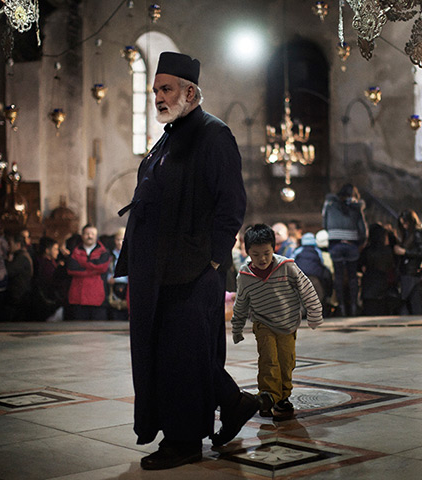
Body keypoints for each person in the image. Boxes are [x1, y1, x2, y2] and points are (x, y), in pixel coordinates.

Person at [114, 52, 254, 470]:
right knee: (176, 351)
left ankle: (184, 441)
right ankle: (233, 402)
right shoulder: (169, 137)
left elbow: (231, 205)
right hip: (158, 269)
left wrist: (212, 260)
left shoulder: (214, 135)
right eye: (156, 90)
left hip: (191, 270)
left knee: (181, 357)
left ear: (190, 92)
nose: (158, 96)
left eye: (166, 89)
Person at [231, 224, 323, 418]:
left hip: (287, 323)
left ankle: (282, 397)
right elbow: (241, 303)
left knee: (286, 361)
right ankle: (267, 396)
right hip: (262, 323)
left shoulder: (287, 266)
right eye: (256, 255)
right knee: (268, 360)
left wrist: (314, 313)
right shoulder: (245, 276)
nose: (262, 259)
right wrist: (237, 327)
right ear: (248, 252)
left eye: (266, 253)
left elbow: (306, 289)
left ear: (274, 248)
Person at [322, 183, 368, 316]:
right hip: (351, 243)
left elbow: (324, 224)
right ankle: (353, 306)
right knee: (353, 277)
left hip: (335, 243)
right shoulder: (356, 206)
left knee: (339, 276)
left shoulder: (329, 204)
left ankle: (341, 306)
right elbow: (363, 229)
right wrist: (360, 242)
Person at [67, 224, 110, 320]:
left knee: (99, 332)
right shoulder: (74, 251)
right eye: (87, 234)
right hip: (79, 298)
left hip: (98, 299)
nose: (89, 236)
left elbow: (101, 267)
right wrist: (93, 269)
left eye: (92, 234)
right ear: (82, 235)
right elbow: (72, 269)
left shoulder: (104, 252)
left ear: (96, 236)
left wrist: (82, 264)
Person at [393, 209, 422, 315]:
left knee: (412, 301)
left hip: (412, 271)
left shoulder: (417, 234)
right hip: (408, 271)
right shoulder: (408, 234)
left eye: (405, 223)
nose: (404, 226)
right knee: (411, 301)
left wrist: (405, 252)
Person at [358, 223, 399, 316]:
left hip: (368, 288)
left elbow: (359, 265)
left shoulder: (367, 250)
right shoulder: (388, 251)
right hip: (383, 288)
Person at [292, 232, 332, 310]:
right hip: (314, 277)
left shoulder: (298, 250)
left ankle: (302, 310)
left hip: (300, 277)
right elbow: (322, 262)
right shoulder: (317, 251)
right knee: (318, 294)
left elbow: (291, 261)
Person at [5, 232, 34, 321]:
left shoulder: (21, 257)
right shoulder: (21, 256)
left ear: (18, 245)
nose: (8, 247)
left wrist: (7, 261)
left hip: (19, 294)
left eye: (10, 244)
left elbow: (9, 271)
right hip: (20, 293)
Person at [107, 227, 129, 320]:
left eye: (123, 240)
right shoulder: (110, 255)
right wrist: (109, 278)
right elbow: (107, 270)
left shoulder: (130, 254)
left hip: (127, 286)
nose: (120, 242)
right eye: (118, 239)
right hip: (114, 287)